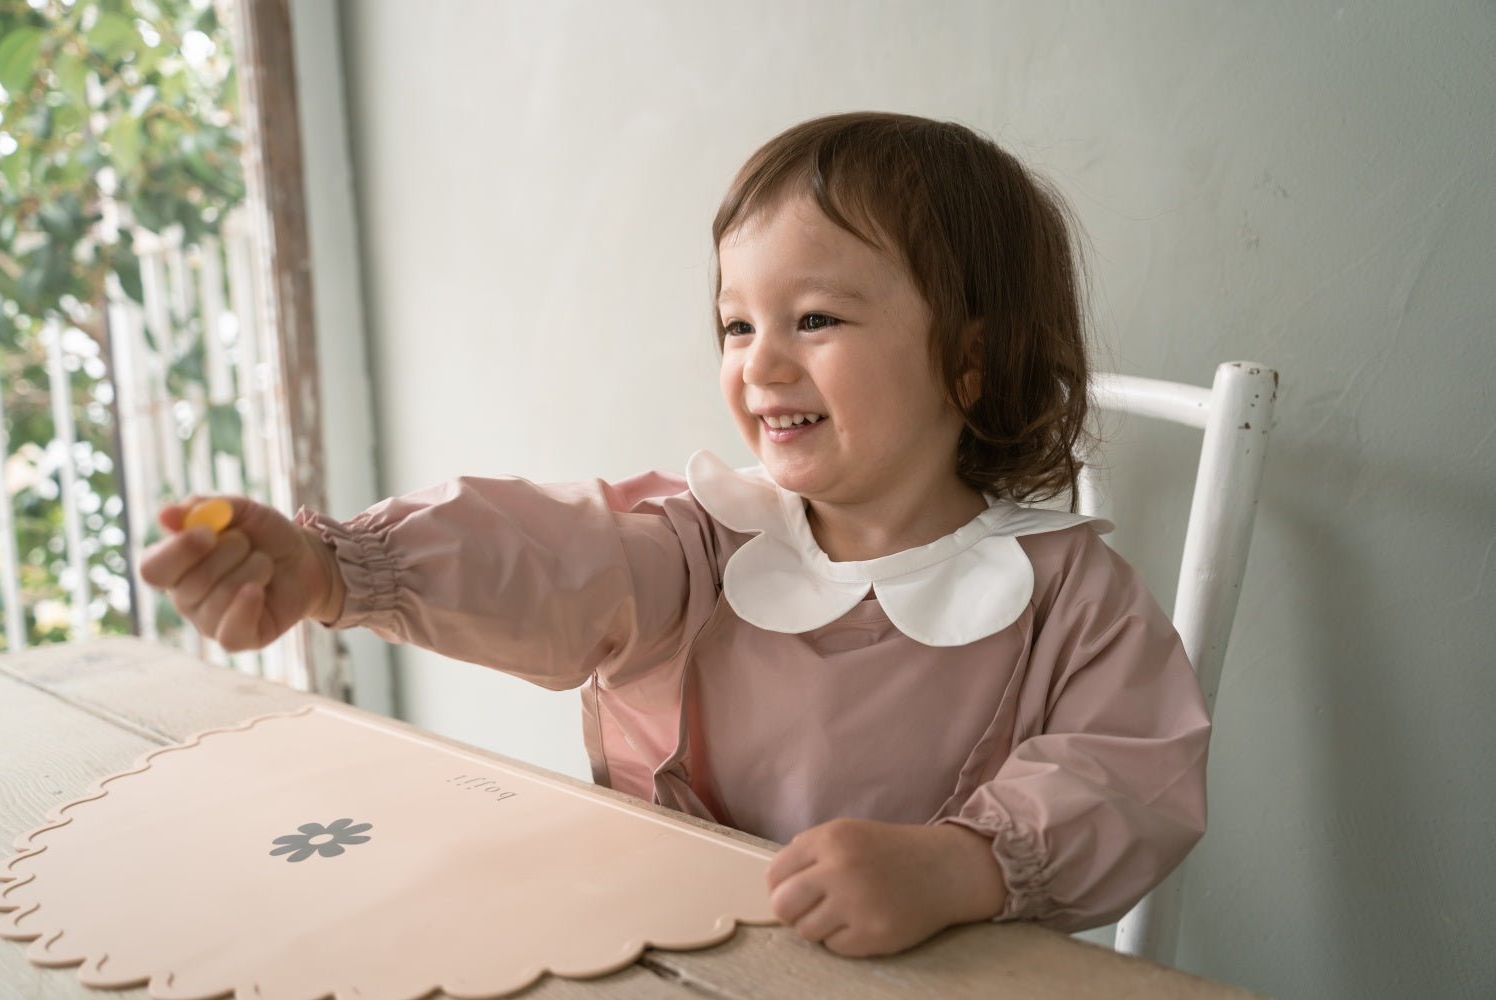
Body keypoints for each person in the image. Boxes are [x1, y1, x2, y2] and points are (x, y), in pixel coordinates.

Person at [140, 112, 1210, 958]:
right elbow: (546, 558)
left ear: (970, 361)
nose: (759, 362)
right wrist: (338, 568)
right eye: (736, 324)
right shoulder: (707, 545)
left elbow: (1129, 772)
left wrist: (963, 863)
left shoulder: (1069, 591)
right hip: (684, 950)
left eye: (816, 319)